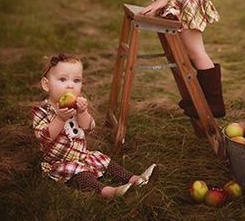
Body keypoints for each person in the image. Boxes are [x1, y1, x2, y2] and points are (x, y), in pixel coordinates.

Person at [31, 53, 157, 199]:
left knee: (102, 159)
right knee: (79, 172)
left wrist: (83, 112)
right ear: (46, 84)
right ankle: (108, 192)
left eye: (76, 80)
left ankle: (135, 179)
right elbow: (43, 137)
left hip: (82, 155)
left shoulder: (76, 106)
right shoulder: (42, 111)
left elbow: (88, 128)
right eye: (62, 79)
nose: (70, 85)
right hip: (58, 162)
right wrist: (59, 119)